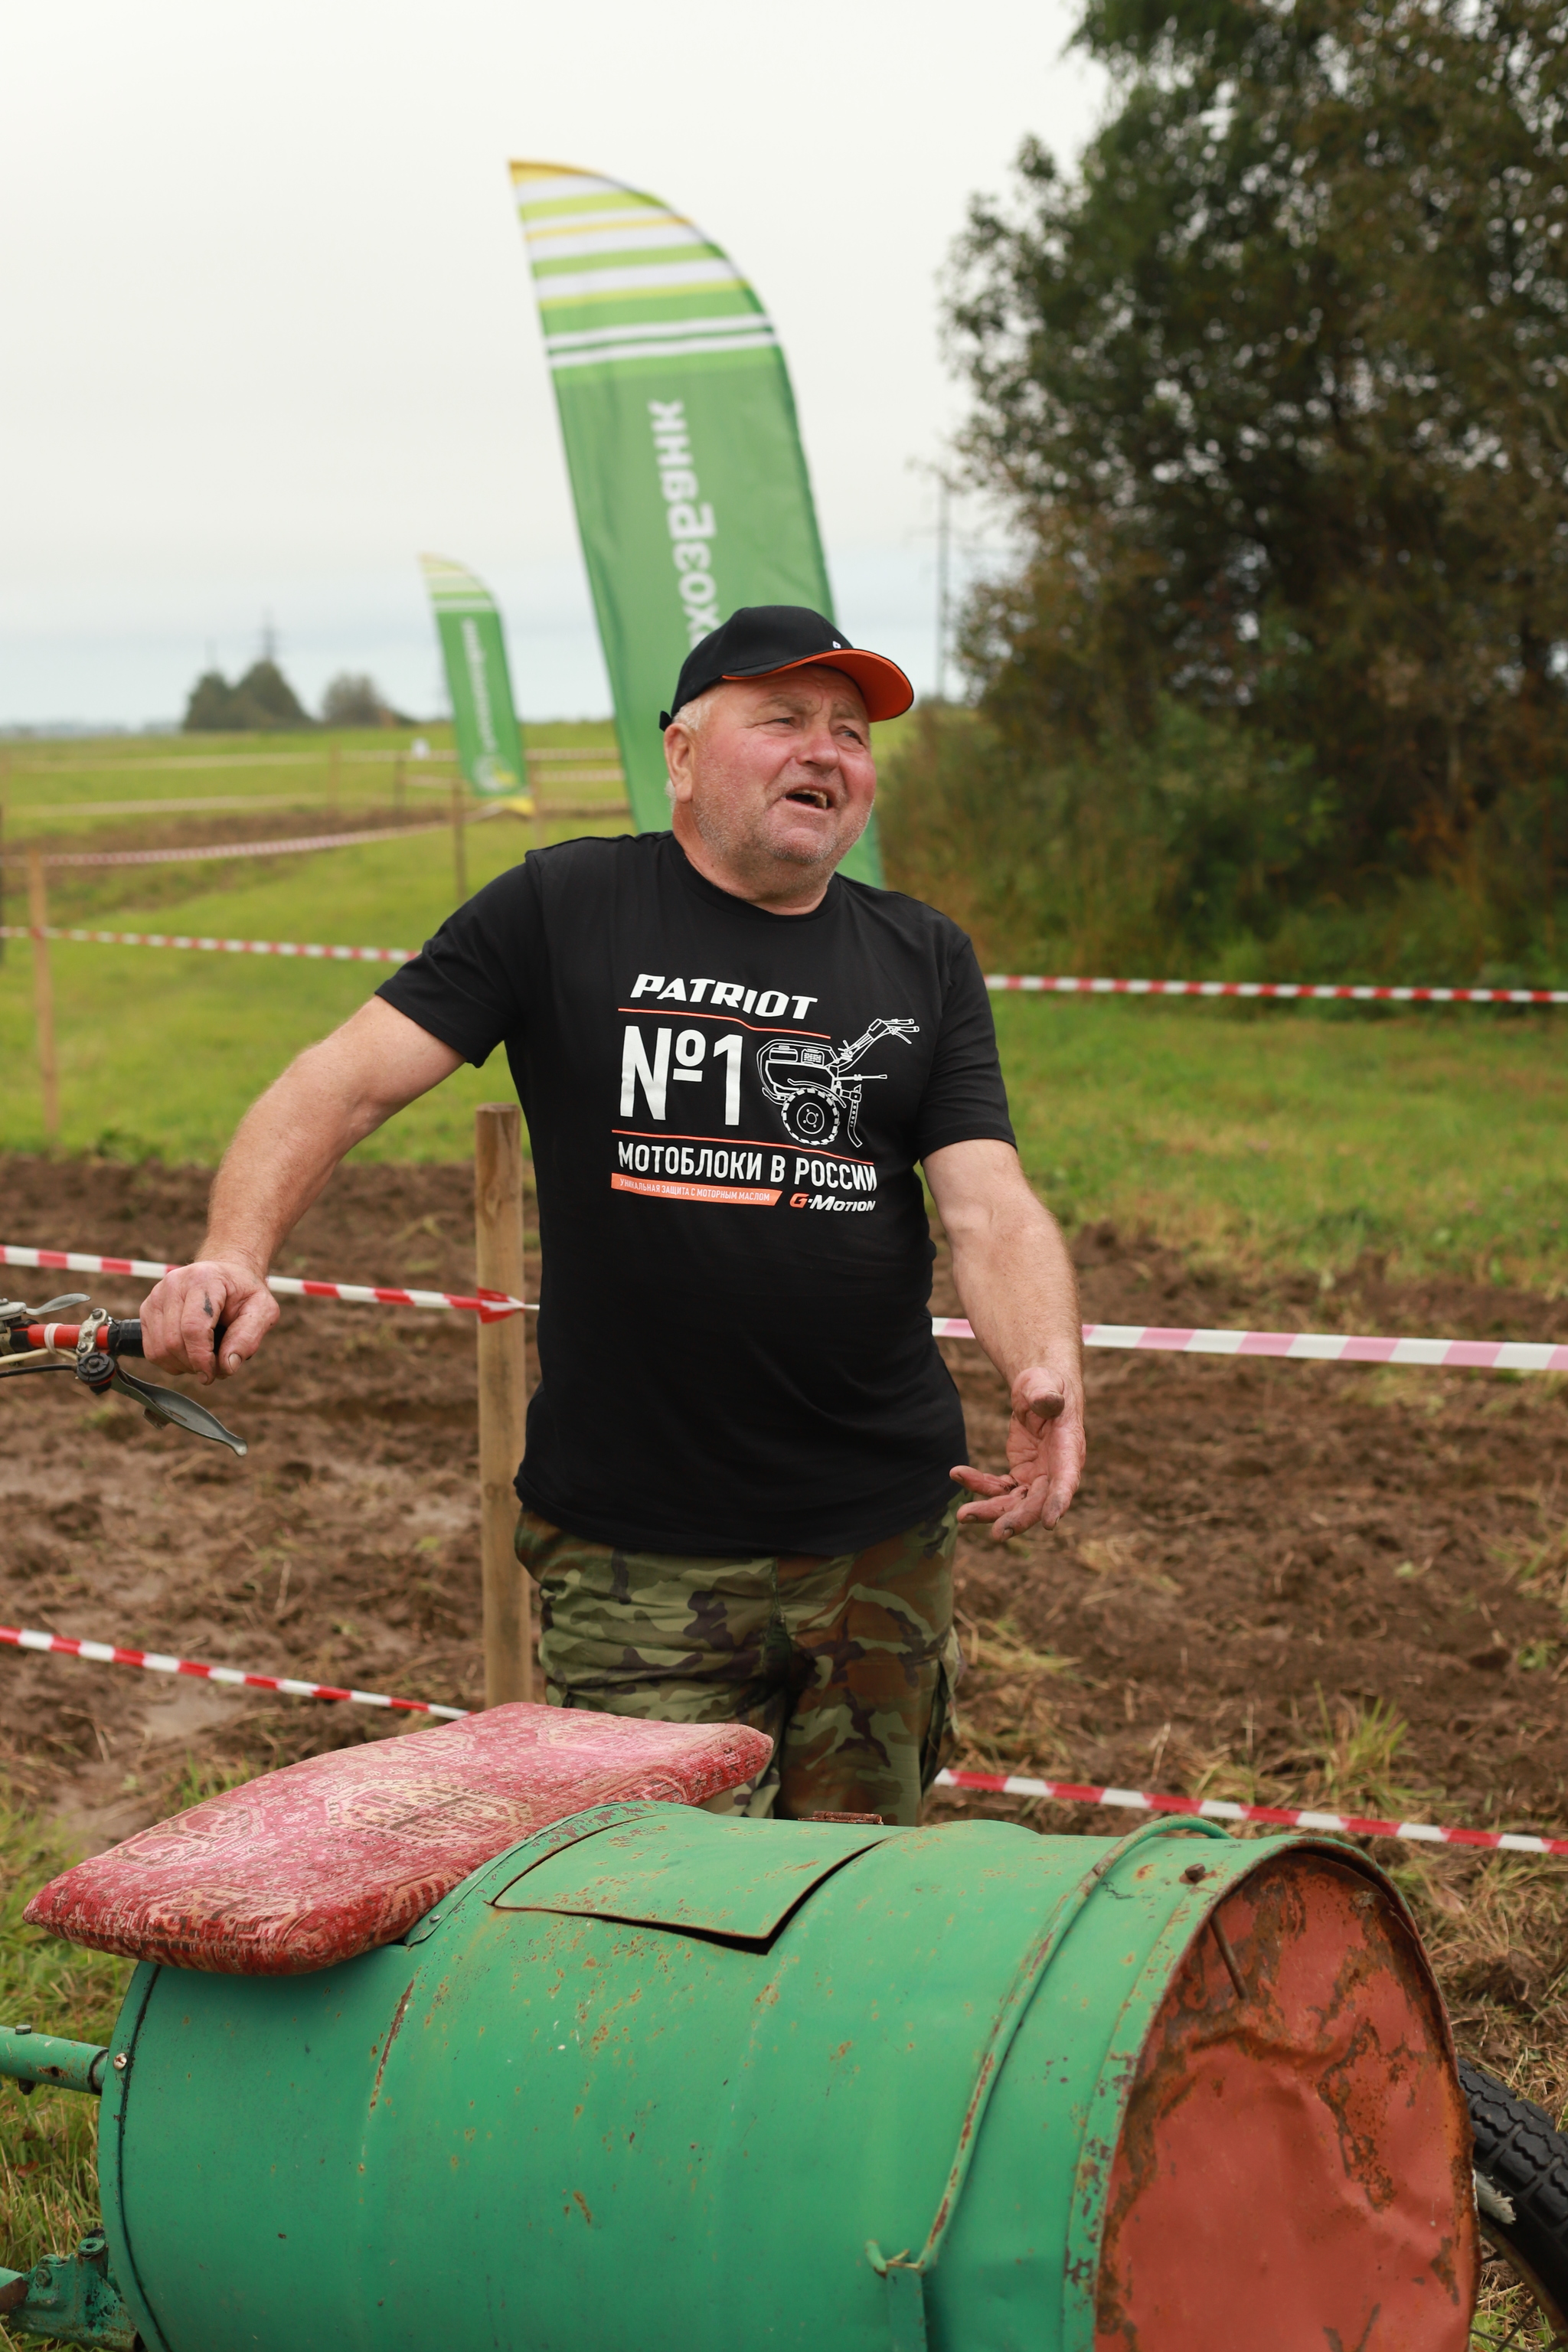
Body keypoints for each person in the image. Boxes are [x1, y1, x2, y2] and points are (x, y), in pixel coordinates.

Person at [140, 605, 1085, 1824]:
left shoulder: (924, 957)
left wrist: (1043, 1360)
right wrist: (234, 1251)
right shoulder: (562, 907)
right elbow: (343, 1081)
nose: (827, 752)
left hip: (880, 1546)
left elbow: (990, 1206)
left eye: (850, 733)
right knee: (658, 1928)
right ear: (682, 754)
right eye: (784, 719)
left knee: (855, 1908)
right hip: (640, 1552)